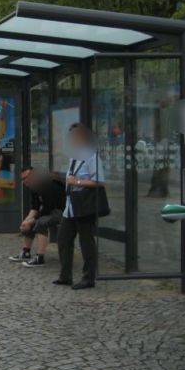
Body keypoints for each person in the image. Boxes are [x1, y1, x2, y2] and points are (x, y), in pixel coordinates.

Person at [55, 122, 106, 290]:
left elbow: (99, 181)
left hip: (84, 206)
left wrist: (76, 181)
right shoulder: (74, 156)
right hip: (71, 206)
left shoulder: (91, 156)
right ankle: (65, 275)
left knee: (86, 242)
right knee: (63, 238)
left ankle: (88, 277)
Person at [9, 167, 66, 267]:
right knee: (27, 223)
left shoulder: (47, 184)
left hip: (62, 211)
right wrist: (26, 221)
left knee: (41, 222)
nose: (25, 181)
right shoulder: (34, 186)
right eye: (22, 179)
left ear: (34, 174)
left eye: (27, 177)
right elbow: (35, 206)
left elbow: (48, 208)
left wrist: (32, 221)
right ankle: (26, 252)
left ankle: (40, 258)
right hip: (49, 211)